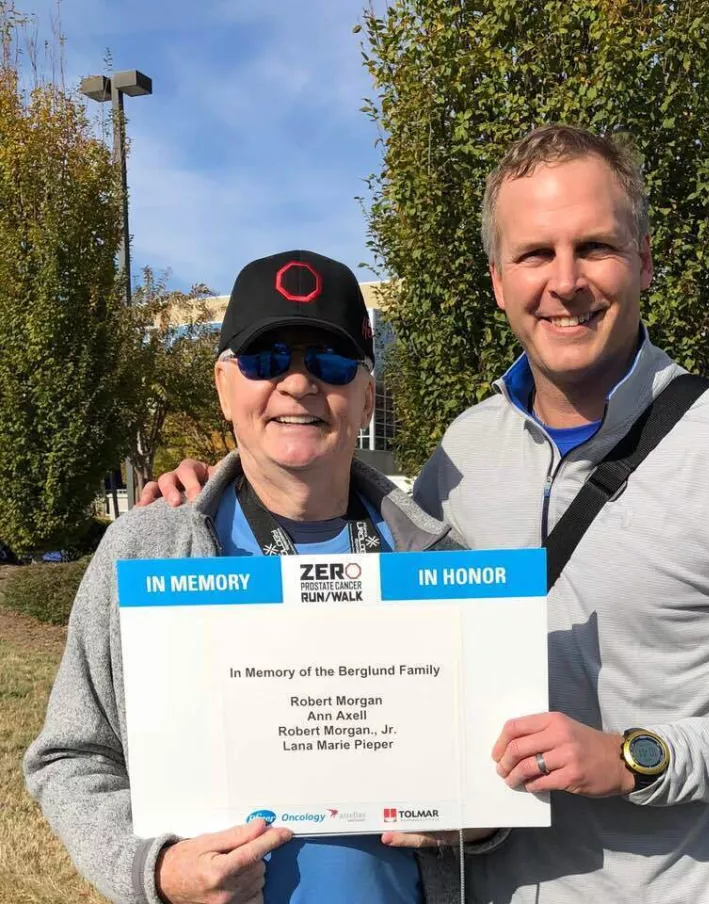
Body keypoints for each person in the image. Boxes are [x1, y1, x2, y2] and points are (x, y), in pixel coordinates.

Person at [142, 125, 709, 904]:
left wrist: (636, 756)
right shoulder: (465, 449)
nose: (564, 281)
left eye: (594, 247)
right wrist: (214, 480)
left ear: (645, 259)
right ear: (498, 280)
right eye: (533, 254)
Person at [24, 250, 475, 904]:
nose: (298, 384)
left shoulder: (440, 566)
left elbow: (496, 771)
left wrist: (483, 820)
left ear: (367, 395)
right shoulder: (146, 551)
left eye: (330, 362)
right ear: (223, 387)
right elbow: (69, 756)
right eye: (267, 361)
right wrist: (154, 870)